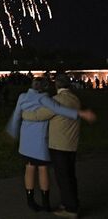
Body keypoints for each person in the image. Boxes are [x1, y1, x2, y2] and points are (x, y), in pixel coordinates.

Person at [6, 78, 93, 212]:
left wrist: (11, 131)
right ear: (44, 87)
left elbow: (16, 115)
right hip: (40, 139)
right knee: (42, 169)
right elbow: (58, 109)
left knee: (29, 168)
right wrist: (80, 113)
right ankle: (45, 203)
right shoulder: (45, 99)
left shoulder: (22, 97)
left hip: (25, 140)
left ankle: (30, 201)